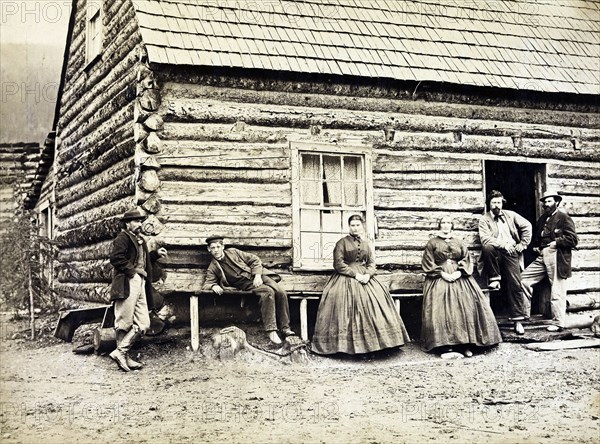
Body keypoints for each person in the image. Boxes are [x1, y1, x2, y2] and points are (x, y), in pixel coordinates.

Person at [311, 215, 409, 355]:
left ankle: (377, 345)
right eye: (352, 225)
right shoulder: (342, 243)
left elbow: (371, 263)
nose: (355, 228)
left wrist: (367, 275)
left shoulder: (365, 244)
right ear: (348, 226)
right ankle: (347, 347)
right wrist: (355, 275)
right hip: (346, 277)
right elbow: (338, 264)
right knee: (345, 300)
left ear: (362, 226)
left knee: (378, 298)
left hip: (365, 277)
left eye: (357, 225)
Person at [421, 215, 502, 356]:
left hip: (460, 276)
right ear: (439, 225)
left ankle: (466, 344)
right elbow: (428, 262)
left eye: (448, 223)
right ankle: (446, 345)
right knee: (440, 305)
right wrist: (442, 274)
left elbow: (466, 259)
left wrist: (460, 272)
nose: (446, 225)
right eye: (443, 222)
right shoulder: (432, 243)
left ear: (452, 225)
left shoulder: (459, 242)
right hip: (439, 277)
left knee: (467, 303)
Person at [202, 236, 294, 344]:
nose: (216, 250)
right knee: (268, 292)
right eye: (213, 248)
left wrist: (257, 275)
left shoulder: (233, 252)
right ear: (209, 249)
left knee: (281, 292)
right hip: (246, 284)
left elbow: (254, 259)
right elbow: (207, 284)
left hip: (258, 276)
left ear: (223, 246)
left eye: (218, 247)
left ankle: (285, 328)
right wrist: (213, 286)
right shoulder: (213, 267)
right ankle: (271, 331)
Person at [109, 208, 167, 371]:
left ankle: (121, 352)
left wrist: (154, 254)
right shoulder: (123, 238)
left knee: (144, 323)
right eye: (136, 221)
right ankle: (124, 357)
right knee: (124, 322)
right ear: (127, 224)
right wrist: (132, 272)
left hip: (140, 281)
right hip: (128, 281)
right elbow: (116, 258)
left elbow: (141, 260)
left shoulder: (139, 239)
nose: (139, 224)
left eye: (141, 221)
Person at [521, 191, 578, 332]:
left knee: (557, 290)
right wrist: (536, 246)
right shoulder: (542, 219)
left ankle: (558, 323)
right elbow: (537, 237)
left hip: (557, 255)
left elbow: (573, 240)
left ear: (556, 202)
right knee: (523, 280)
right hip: (543, 254)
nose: (546, 204)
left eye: (549, 201)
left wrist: (556, 242)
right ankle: (524, 315)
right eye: (545, 202)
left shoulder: (564, 218)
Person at [478, 190, 532, 334]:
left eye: (499, 202)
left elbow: (527, 226)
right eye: (494, 202)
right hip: (496, 251)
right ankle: (495, 278)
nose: (497, 205)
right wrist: (503, 244)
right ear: (489, 204)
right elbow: (485, 239)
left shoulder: (511, 215)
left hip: (511, 252)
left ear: (503, 203)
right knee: (487, 247)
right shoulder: (484, 219)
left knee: (515, 283)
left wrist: (523, 244)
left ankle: (518, 321)